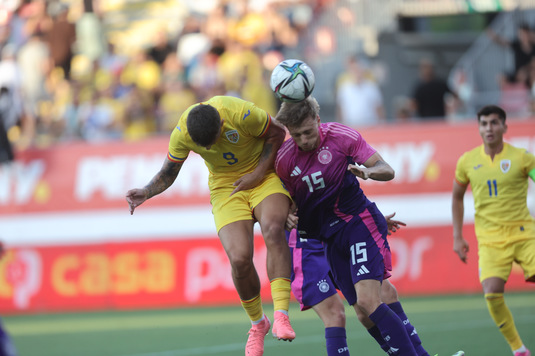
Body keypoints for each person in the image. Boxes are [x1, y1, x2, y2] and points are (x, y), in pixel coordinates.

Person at [126, 96, 295, 356]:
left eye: (215, 138)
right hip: (226, 186)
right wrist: (146, 192)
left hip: (262, 176)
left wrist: (258, 173)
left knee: (273, 229)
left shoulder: (241, 113)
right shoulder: (181, 133)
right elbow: (170, 171)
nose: (212, 145)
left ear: (222, 123)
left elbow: (277, 134)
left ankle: (282, 314)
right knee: (239, 259)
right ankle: (258, 324)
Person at [274, 96, 418, 355]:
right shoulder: (284, 159)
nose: (304, 141)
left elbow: (387, 169)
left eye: (308, 132)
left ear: (318, 121)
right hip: (327, 237)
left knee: (371, 299)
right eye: (297, 136)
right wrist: (285, 214)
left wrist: (369, 172)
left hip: (356, 225)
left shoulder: (342, 136)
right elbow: (284, 201)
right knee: (363, 314)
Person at [286, 212, 438, 356]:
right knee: (335, 314)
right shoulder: (284, 184)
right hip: (305, 249)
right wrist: (283, 215)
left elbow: (339, 195)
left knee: (385, 293)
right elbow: (268, 205)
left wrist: (369, 215)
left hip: (336, 235)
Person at [452, 105, 534, 356]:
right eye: (485, 123)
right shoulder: (467, 161)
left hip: (524, 234)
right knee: (492, 293)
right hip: (490, 239)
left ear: (505, 127)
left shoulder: (522, 157)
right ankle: (518, 349)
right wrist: (457, 236)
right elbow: (457, 198)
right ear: (478, 128)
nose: (489, 128)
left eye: (495, 123)